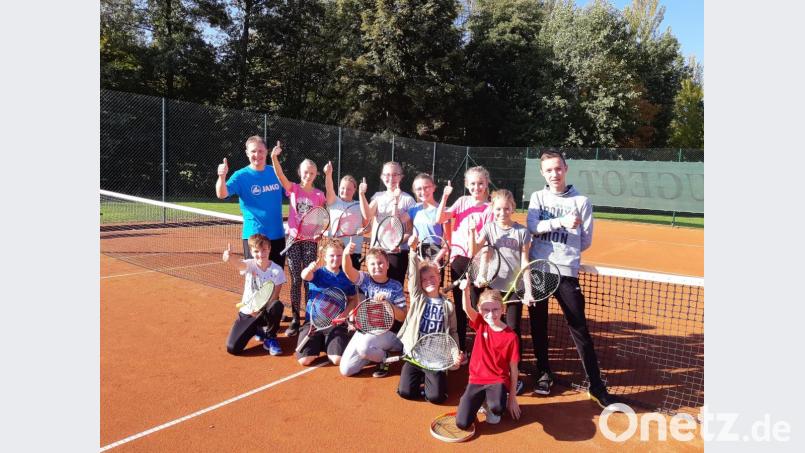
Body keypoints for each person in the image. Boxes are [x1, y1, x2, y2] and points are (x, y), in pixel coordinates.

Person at [525, 151, 616, 407]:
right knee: (538, 326)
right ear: (542, 173)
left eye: (558, 169)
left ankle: (596, 386)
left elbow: (585, 239)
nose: (554, 174)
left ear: (566, 168)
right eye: (549, 170)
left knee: (580, 329)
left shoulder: (582, 201)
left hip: (566, 272)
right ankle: (544, 373)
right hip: (540, 268)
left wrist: (565, 250)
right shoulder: (537, 198)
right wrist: (561, 222)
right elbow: (533, 227)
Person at [473, 189, 530, 395]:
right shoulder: (488, 228)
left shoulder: (522, 232)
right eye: (498, 208)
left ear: (513, 208)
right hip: (494, 289)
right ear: (492, 209)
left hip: (515, 289)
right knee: (491, 329)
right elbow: (481, 252)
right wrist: (481, 276)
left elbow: (525, 263)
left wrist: (529, 291)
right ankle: (492, 370)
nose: (502, 212)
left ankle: (514, 372)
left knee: (512, 331)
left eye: (506, 208)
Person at [434, 166, 493, 358]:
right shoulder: (461, 202)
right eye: (473, 183)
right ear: (467, 185)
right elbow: (441, 218)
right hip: (459, 260)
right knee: (460, 305)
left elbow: (487, 239)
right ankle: (462, 347)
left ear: (486, 184)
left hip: (479, 262)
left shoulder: (491, 208)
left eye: (481, 183)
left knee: (476, 306)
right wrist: (444, 197)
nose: (477, 187)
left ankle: (480, 347)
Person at [395, 233, 460, 403]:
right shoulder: (418, 297)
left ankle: (434, 382)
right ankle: (421, 378)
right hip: (415, 354)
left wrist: (454, 354)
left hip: (436, 356)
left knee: (436, 398)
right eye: (424, 279)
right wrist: (412, 250)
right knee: (406, 392)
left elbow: (453, 332)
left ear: (439, 278)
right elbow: (413, 278)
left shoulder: (448, 305)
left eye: (432, 277)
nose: (428, 281)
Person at [271, 142, 326, 337]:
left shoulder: (320, 195)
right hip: (293, 240)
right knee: (295, 279)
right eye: (305, 172)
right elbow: (280, 176)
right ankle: (295, 317)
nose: (308, 175)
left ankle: (309, 317)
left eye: (312, 173)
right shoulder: (293, 189)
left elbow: (321, 217)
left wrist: (320, 231)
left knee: (308, 279)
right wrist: (274, 158)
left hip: (310, 241)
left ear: (315, 174)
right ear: (300, 172)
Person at [454, 285, 521, 429]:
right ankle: (475, 400)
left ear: (503, 309)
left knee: (497, 408)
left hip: (498, 380)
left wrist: (513, 399)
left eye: (495, 309)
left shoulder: (511, 337)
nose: (491, 314)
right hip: (476, 379)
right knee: (462, 423)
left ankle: (492, 402)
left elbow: (514, 370)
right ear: (480, 309)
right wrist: (465, 291)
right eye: (486, 310)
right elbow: (466, 309)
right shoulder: (481, 323)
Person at [339, 241, 407, 378]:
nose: (377, 267)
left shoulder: (396, 286)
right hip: (366, 330)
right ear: (367, 267)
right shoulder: (365, 280)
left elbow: (402, 316)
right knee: (346, 370)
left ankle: (384, 356)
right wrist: (346, 254)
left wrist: (388, 305)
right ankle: (372, 352)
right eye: (372, 264)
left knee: (364, 347)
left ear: (387, 265)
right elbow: (348, 271)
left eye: (381, 263)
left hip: (388, 332)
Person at [215, 135, 285, 267]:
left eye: (260, 151)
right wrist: (221, 177)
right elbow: (222, 194)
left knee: (277, 277)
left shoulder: (276, 173)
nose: (257, 155)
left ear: (266, 152)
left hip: (277, 235)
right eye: (253, 151)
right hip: (254, 237)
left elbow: (291, 191)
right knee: (255, 278)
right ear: (247, 153)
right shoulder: (240, 176)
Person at [297, 238, 359, 366]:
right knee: (304, 361)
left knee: (337, 360)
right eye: (331, 255)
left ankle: (330, 344)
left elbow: (353, 299)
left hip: (336, 324)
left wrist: (344, 315)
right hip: (313, 324)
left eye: (339, 256)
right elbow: (304, 276)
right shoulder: (317, 273)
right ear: (325, 257)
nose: (335, 259)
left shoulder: (347, 277)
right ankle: (321, 342)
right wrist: (309, 269)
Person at [223, 234, 286, 356]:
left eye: (264, 250)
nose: (260, 254)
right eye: (256, 251)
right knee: (233, 348)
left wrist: (259, 309)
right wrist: (229, 258)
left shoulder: (277, 270)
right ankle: (258, 331)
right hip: (247, 313)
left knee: (277, 305)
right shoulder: (250, 265)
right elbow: (240, 265)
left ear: (269, 249)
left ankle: (270, 337)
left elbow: (274, 296)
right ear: (251, 252)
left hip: (263, 314)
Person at [358, 161, 415, 284]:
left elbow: (410, 231)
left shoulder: (408, 200)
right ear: (382, 177)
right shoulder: (378, 197)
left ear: (401, 176)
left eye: (395, 174)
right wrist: (361, 194)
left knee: (394, 292)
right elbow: (367, 215)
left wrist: (398, 242)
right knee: (375, 290)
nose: (391, 178)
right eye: (387, 174)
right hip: (377, 252)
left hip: (397, 253)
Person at [322, 161, 364, 269]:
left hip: (354, 250)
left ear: (354, 190)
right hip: (335, 251)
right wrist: (328, 174)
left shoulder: (360, 205)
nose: (345, 191)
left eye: (349, 189)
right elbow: (329, 188)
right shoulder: (333, 201)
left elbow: (367, 224)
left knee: (352, 282)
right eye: (342, 188)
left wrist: (364, 230)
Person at [408, 173, 449, 283]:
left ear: (434, 187)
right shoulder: (413, 209)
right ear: (414, 191)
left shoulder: (442, 211)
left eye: (426, 187)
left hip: (434, 251)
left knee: (432, 289)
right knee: (415, 288)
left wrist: (435, 260)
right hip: (417, 250)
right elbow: (412, 232)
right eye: (419, 189)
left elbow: (447, 242)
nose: (423, 191)